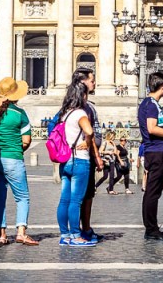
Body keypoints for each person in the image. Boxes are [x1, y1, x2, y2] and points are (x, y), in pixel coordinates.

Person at [0, 77, 36, 246]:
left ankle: (2, 234)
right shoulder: (20, 114)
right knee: (22, 197)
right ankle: (21, 232)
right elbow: (26, 140)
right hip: (14, 158)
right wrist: (17, 149)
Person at [55, 81, 97, 247]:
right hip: (79, 159)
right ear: (82, 95)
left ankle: (64, 235)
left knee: (64, 200)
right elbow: (89, 131)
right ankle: (76, 235)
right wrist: (87, 142)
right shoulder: (80, 113)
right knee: (76, 201)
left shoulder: (64, 114)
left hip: (65, 160)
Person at [138, 71, 163, 241]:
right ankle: (151, 229)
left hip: (154, 151)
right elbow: (152, 128)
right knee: (153, 192)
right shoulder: (151, 105)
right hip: (157, 151)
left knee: (153, 192)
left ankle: (151, 227)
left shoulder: (148, 103)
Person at [71, 68, 104, 240]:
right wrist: (97, 156)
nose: (95, 83)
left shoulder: (86, 106)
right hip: (86, 157)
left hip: (86, 155)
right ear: (83, 83)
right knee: (85, 195)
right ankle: (82, 230)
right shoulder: (82, 108)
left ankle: (81, 229)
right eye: (92, 80)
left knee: (84, 194)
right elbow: (88, 135)